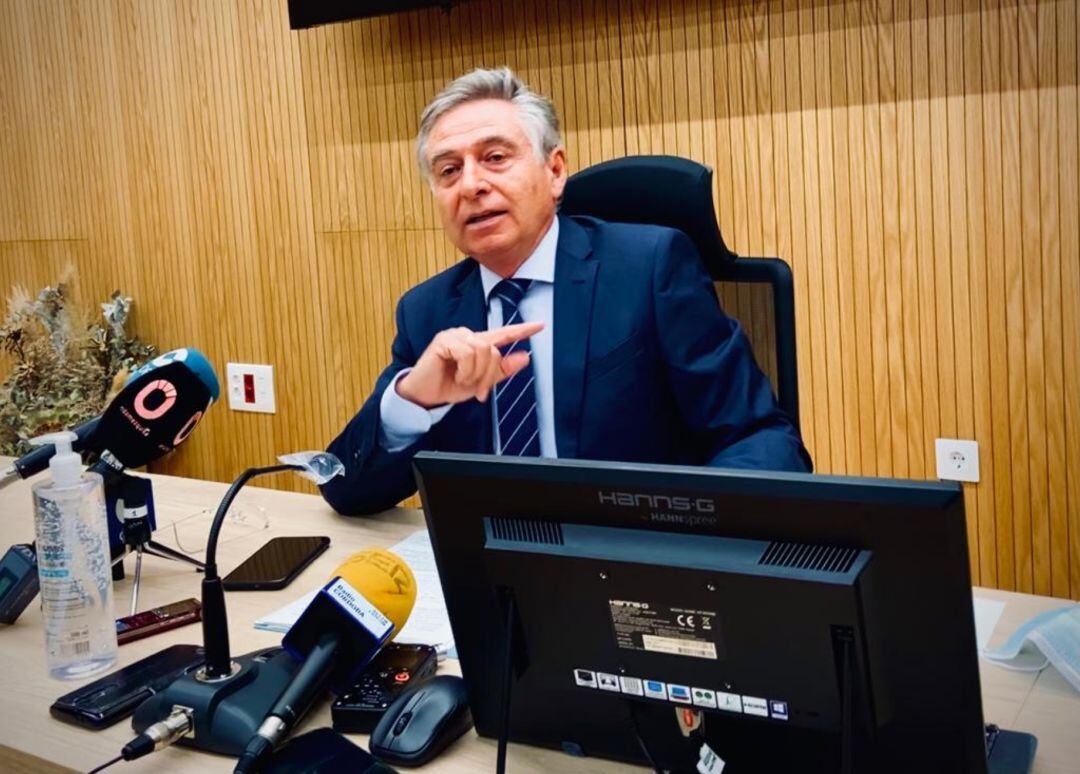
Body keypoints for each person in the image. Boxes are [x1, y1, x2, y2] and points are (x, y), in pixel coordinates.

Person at [321, 67, 811, 516]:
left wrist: (689, 545)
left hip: (631, 563)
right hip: (493, 576)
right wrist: (412, 399)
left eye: (494, 158)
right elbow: (345, 489)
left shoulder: (648, 269)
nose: (470, 185)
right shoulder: (427, 310)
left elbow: (759, 437)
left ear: (555, 172)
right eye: (448, 171)